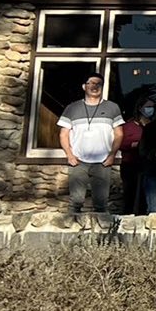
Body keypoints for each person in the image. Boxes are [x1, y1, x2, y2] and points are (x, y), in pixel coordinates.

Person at [57, 72, 124, 214]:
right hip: (78, 161)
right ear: (84, 86)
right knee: (76, 201)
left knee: (101, 202)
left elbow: (119, 134)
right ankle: (72, 231)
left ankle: (101, 233)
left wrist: (112, 155)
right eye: (91, 83)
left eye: (98, 84)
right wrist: (69, 155)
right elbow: (64, 134)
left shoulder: (112, 107)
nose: (95, 86)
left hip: (102, 162)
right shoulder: (72, 108)